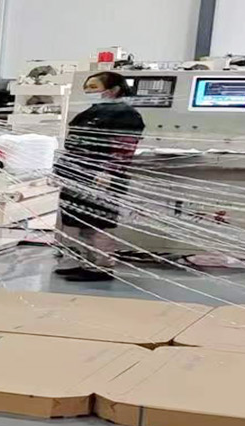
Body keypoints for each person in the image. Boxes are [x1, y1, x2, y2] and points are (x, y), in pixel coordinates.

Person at [54, 72, 146, 282]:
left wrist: (109, 172)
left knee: (97, 223)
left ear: (114, 90)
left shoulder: (126, 115)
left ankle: (100, 267)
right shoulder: (89, 113)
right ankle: (81, 262)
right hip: (77, 174)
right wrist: (61, 169)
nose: (88, 91)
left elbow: (124, 148)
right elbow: (73, 145)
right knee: (75, 220)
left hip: (101, 177)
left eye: (94, 87)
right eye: (87, 87)